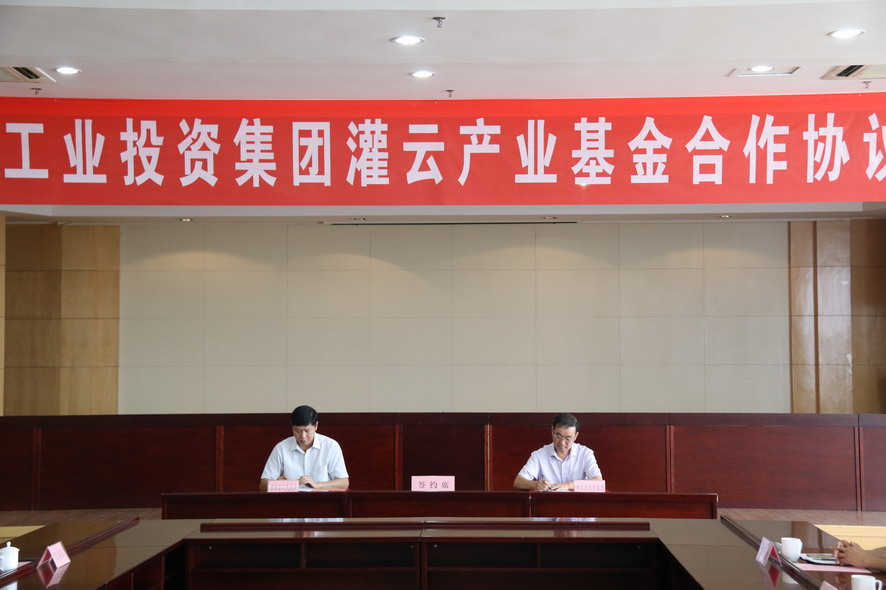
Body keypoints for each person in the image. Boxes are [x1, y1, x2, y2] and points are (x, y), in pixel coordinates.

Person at [260, 405, 349, 492]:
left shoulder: (330, 446)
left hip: (321, 498)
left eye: (307, 431)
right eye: (297, 431)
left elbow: (344, 483)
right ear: (292, 426)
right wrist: (277, 483)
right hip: (291, 499)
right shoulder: (281, 448)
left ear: (316, 426)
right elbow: (263, 486)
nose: (303, 436)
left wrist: (317, 485)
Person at [513, 413, 602, 491]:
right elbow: (518, 482)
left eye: (568, 438)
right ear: (552, 431)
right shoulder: (539, 455)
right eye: (558, 436)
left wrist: (568, 485)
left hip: (578, 503)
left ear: (575, 436)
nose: (562, 443)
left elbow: (598, 482)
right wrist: (535, 484)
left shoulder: (585, 454)